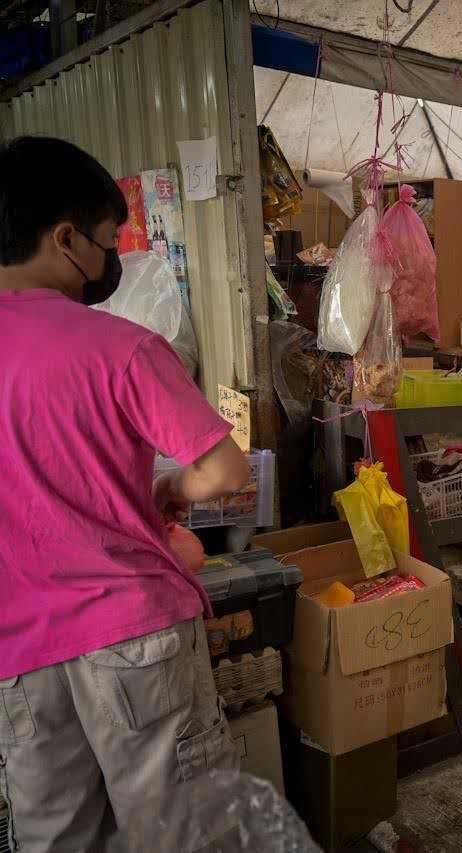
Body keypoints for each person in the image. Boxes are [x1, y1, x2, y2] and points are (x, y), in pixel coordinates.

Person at [0, 136, 250, 852]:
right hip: (131, 635)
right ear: (65, 238)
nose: (112, 260)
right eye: (109, 241)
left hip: (18, 652)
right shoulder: (120, 347)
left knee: (56, 838)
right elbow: (228, 472)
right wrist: (171, 485)